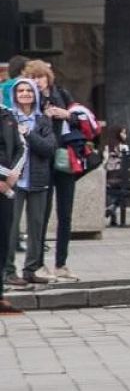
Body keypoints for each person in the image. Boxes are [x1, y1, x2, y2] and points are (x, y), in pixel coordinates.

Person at [22, 60, 81, 282]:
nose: (37, 81)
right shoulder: (30, 100)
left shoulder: (62, 94)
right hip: (42, 161)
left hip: (65, 159)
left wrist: (65, 115)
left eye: (41, 76)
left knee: (65, 213)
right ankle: (37, 262)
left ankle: (61, 263)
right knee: (41, 215)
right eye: (33, 77)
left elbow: (79, 119)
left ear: (48, 77)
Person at [3, 79, 56, 286]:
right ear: (15, 95)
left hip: (37, 180)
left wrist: (29, 134)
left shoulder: (43, 120)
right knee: (10, 228)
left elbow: (48, 149)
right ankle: (8, 271)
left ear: (35, 94)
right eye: (21, 91)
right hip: (13, 182)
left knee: (36, 226)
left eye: (29, 91)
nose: (25, 94)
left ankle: (31, 269)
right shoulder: (7, 118)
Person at [0, 101, 26, 314]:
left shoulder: (7, 116)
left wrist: (11, 175)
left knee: (3, 240)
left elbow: (21, 147)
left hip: (7, 186)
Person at [103, 126, 130, 226]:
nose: (125, 135)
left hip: (108, 179)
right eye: (123, 133)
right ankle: (113, 206)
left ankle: (112, 208)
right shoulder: (124, 147)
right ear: (117, 134)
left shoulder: (107, 146)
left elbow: (104, 162)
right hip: (119, 179)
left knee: (116, 191)